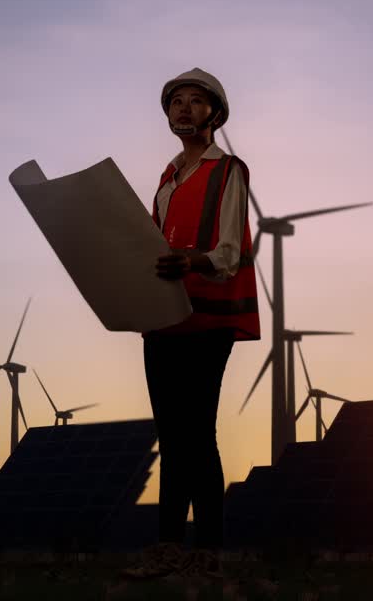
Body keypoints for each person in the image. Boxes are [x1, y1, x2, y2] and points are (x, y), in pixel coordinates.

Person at [121, 68, 260, 581]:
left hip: (207, 315)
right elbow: (151, 246)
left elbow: (230, 249)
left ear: (215, 114)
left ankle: (210, 549)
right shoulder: (164, 179)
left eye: (195, 101)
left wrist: (192, 262)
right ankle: (167, 546)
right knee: (172, 432)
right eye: (175, 102)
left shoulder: (229, 170)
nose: (183, 109)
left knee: (198, 431)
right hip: (163, 318)